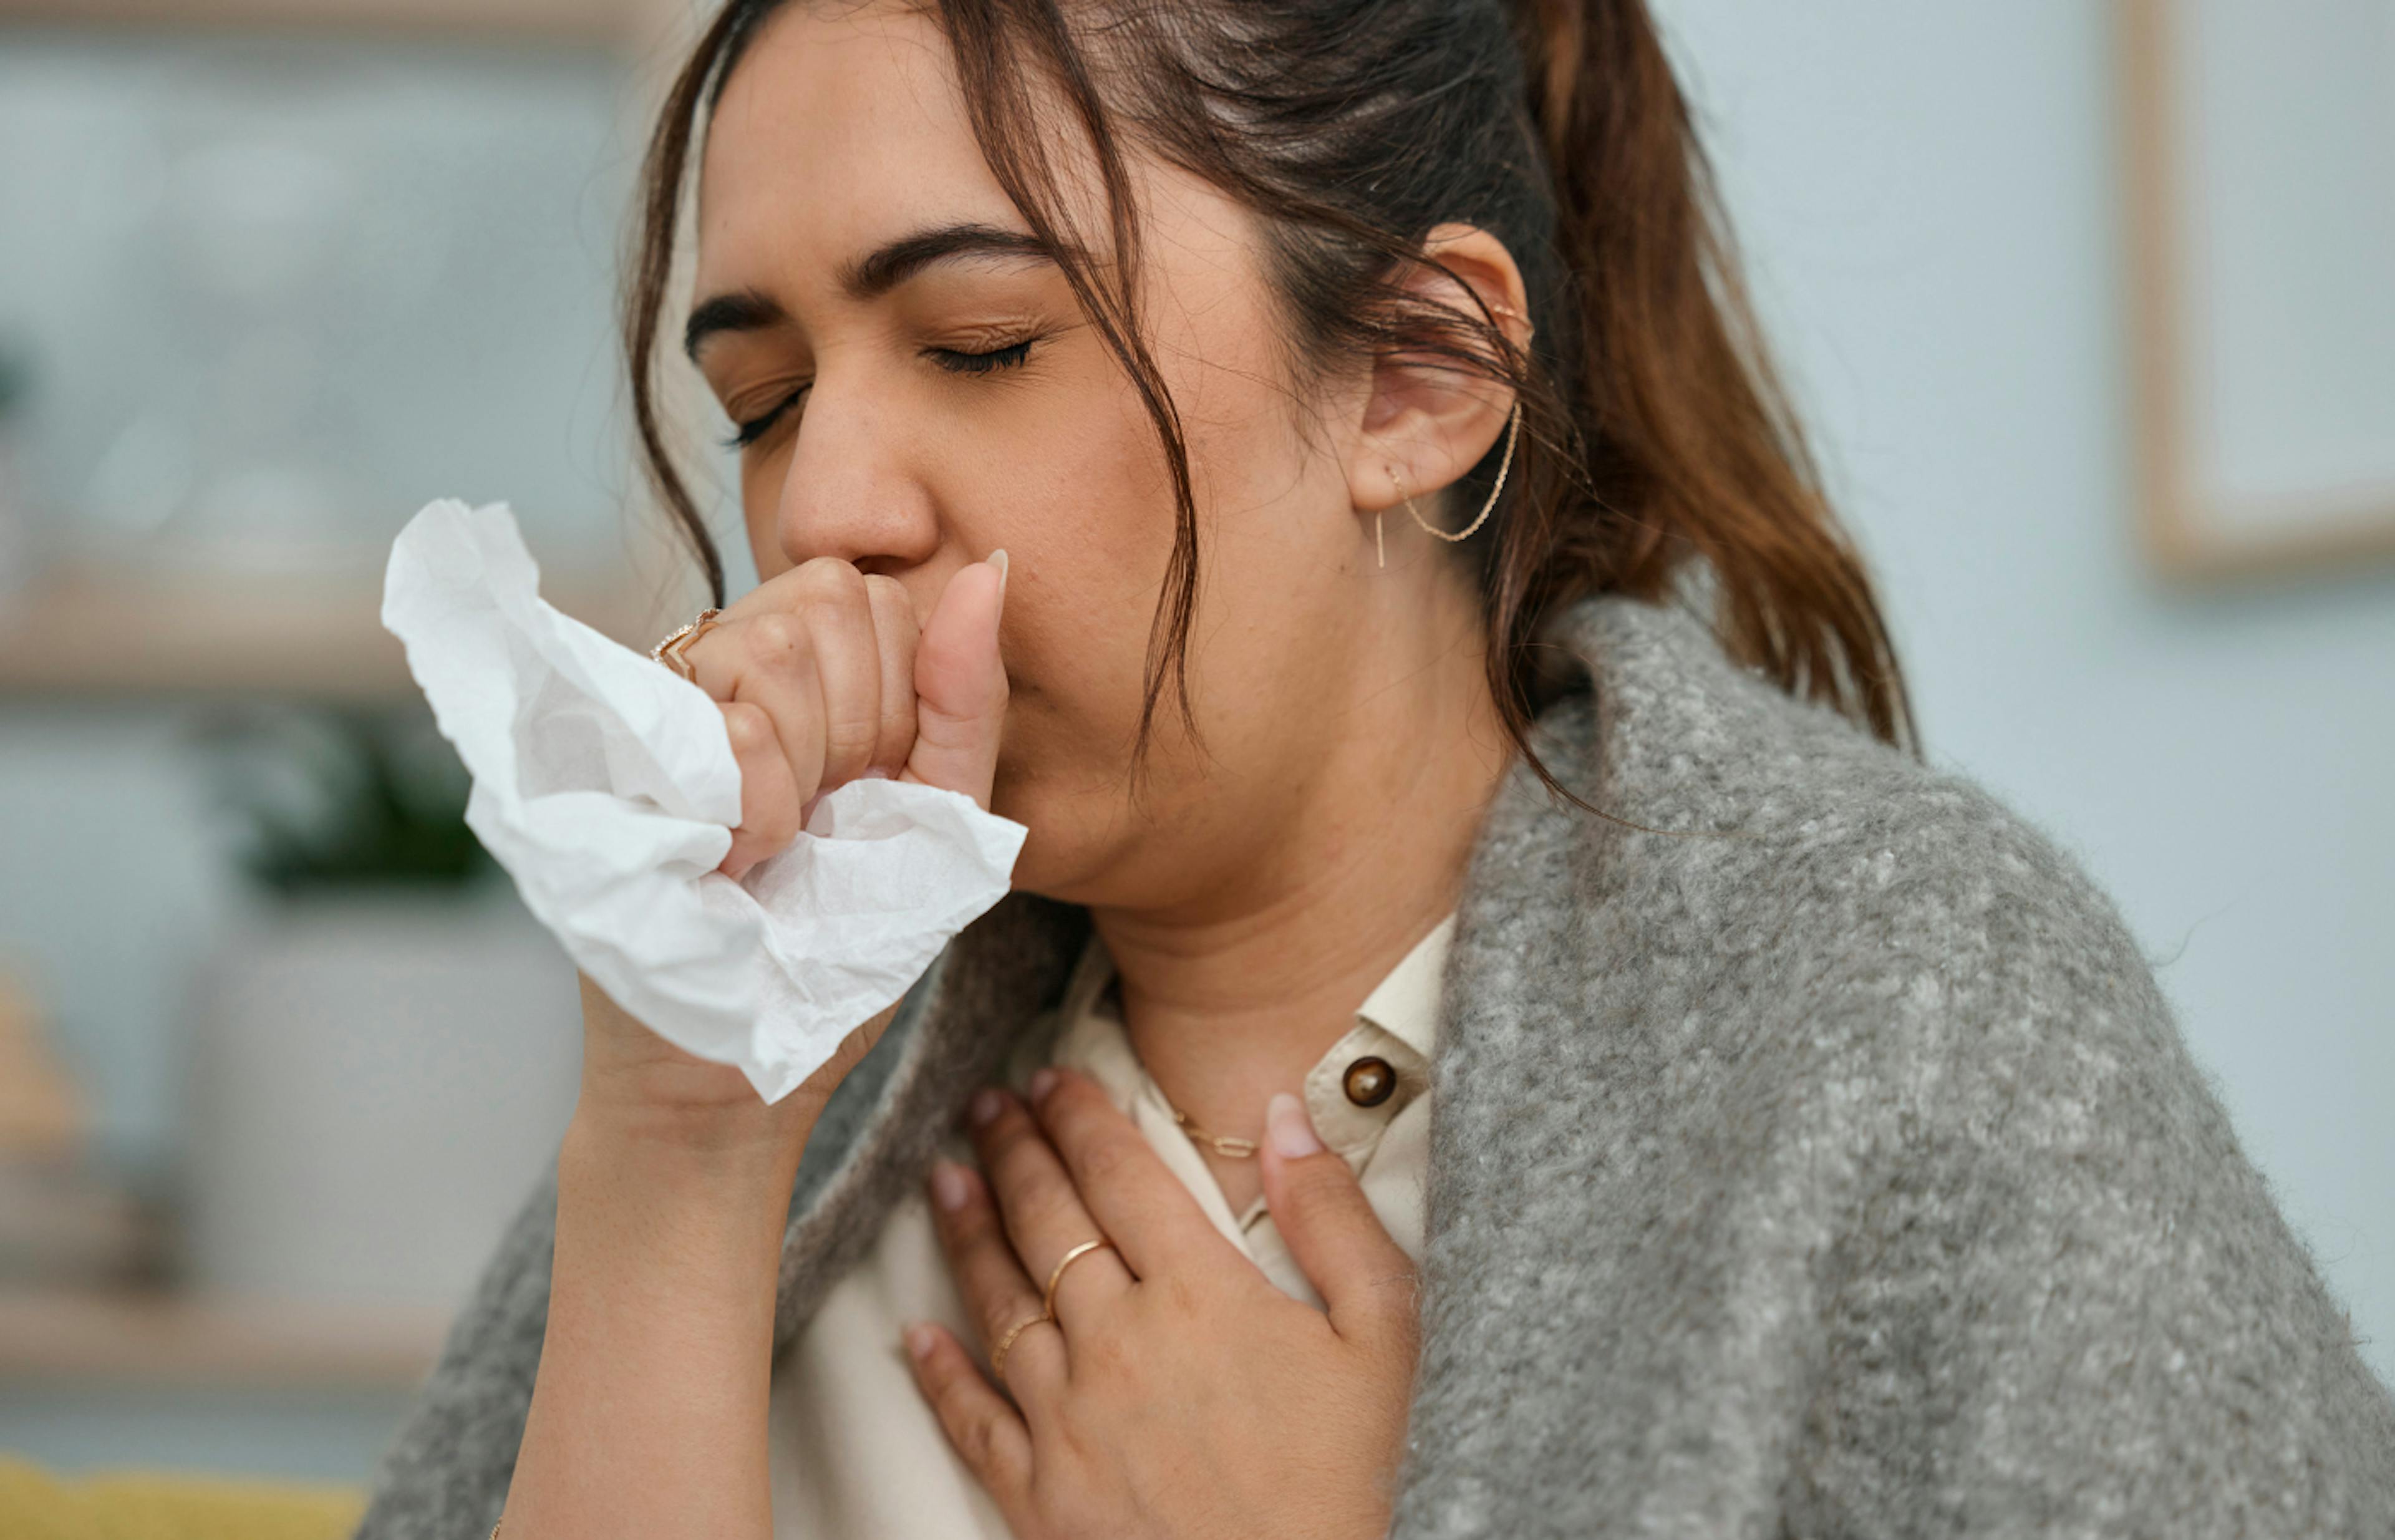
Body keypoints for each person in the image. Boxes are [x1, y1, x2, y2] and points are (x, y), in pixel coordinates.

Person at [356, 0, 2395, 1536]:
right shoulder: (787, 1061)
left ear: (1420, 376)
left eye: (981, 343)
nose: (834, 506)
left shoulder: (1909, 1004)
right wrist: (681, 1162)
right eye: (765, 399)